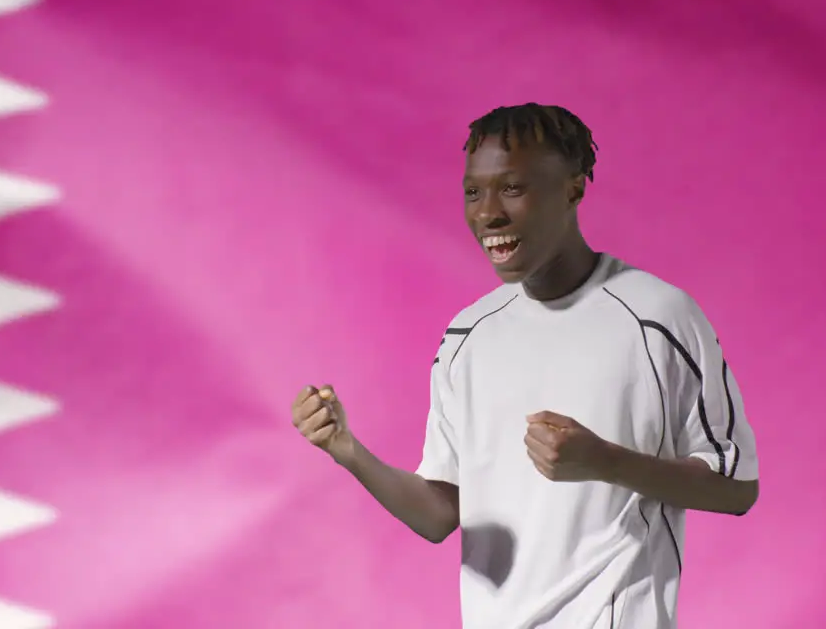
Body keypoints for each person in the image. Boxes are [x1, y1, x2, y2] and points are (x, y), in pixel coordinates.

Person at [290, 103, 760, 629]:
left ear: (574, 189)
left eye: (512, 188)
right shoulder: (468, 336)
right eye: (473, 191)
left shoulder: (657, 318)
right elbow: (441, 513)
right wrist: (349, 452)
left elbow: (736, 487)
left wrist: (604, 461)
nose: (487, 213)